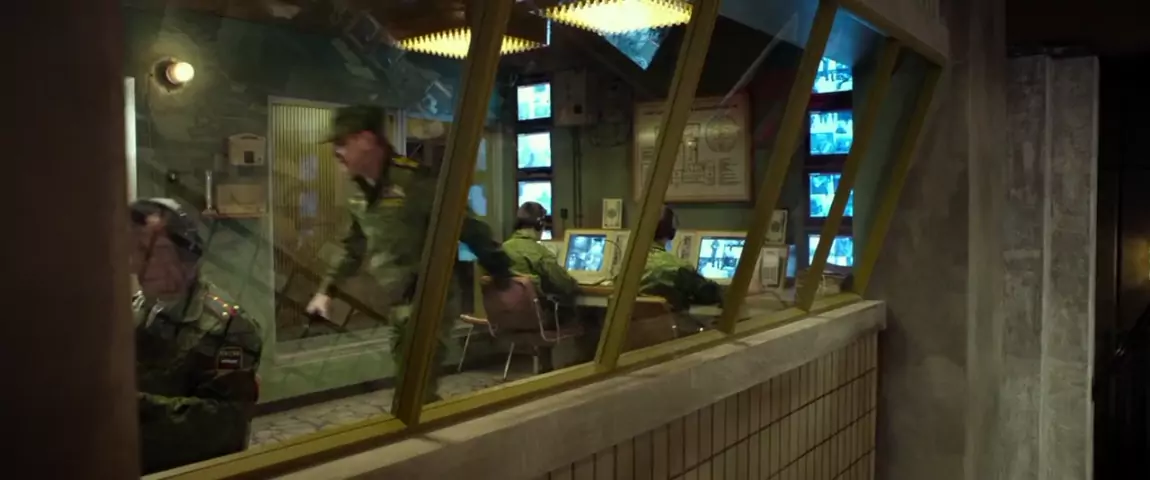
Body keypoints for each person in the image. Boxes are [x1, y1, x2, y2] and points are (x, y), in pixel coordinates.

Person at [305, 105, 513, 402]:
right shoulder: (358, 192)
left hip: (430, 299)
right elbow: (353, 247)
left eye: (341, 142)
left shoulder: (416, 182)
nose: (336, 152)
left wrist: (502, 274)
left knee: (416, 386)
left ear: (366, 140)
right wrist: (326, 291)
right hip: (397, 302)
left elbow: (468, 227)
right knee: (410, 385)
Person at [129, 198, 263, 474]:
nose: (135, 264)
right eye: (134, 251)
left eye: (149, 251)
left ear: (186, 255)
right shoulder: (136, 309)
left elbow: (224, 425)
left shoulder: (229, 327)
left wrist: (131, 406)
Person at [640, 206, 723, 333]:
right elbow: (710, 294)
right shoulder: (678, 268)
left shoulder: (629, 265)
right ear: (671, 231)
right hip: (673, 334)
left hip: (637, 334)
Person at [501, 202, 579, 302]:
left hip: (506, 308)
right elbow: (564, 284)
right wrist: (574, 283)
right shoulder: (540, 252)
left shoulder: (503, 247)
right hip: (533, 308)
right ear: (540, 224)